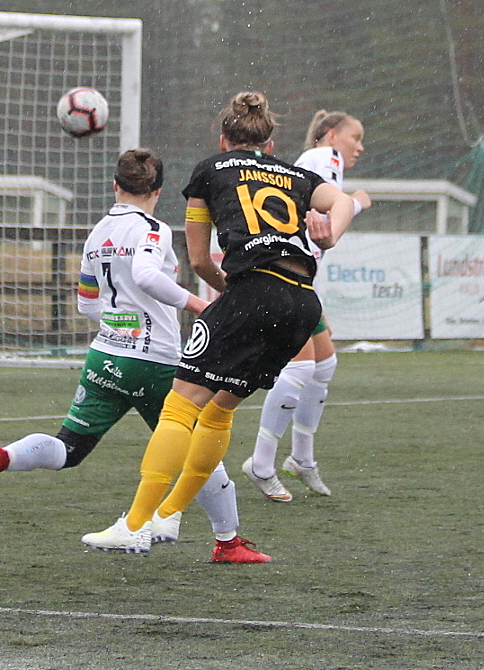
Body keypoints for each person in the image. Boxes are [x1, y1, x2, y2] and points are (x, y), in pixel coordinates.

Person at [0, 148, 269, 563]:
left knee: (69, 448)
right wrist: (197, 304)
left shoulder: (98, 233)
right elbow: (145, 275)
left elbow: (86, 303)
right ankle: (228, 543)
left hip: (105, 358)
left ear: (115, 185)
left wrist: (120, 323)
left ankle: (4, 456)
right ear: (158, 191)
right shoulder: (153, 229)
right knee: (199, 449)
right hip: (155, 361)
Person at [92, 91, 356, 556]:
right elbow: (344, 202)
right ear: (270, 146)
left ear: (222, 139)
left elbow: (199, 259)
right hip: (301, 302)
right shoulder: (295, 174)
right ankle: (169, 515)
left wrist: (231, 291)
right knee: (219, 411)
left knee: (180, 407)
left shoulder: (209, 170)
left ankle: (134, 525)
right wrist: (330, 233)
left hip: (253, 290)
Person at [242, 110, 372, 502]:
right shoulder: (324, 158)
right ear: (331, 135)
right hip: (283, 276)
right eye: (355, 137)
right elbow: (326, 216)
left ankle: (301, 458)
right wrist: (357, 203)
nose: (360, 147)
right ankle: (261, 462)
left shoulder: (313, 161)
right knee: (299, 367)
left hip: (297, 277)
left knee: (324, 363)